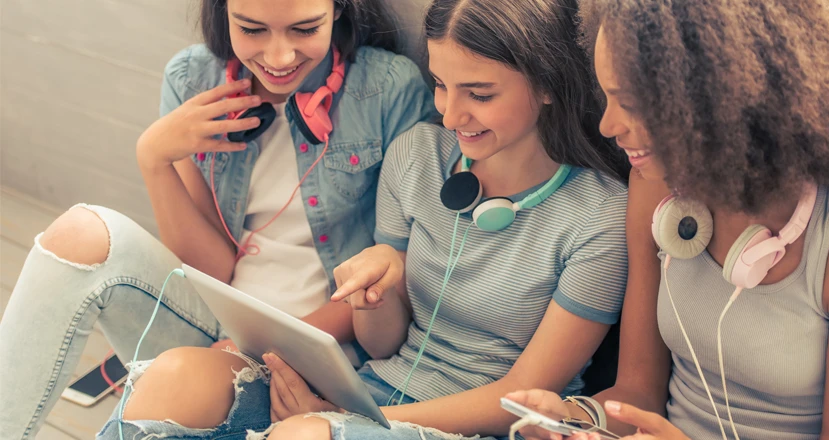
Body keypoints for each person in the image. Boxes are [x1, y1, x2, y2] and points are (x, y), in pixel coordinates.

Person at [96, 0, 632, 439]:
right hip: (367, 388)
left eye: (480, 94)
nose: (449, 114)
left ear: (546, 85)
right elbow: (382, 344)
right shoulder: (418, 154)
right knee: (177, 375)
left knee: (301, 437)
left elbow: (520, 400)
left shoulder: (600, 218)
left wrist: (342, 420)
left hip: (469, 425)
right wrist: (375, 293)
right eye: (442, 85)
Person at [0, 0, 436, 437]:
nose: (279, 57)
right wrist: (155, 158)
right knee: (80, 233)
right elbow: (209, 269)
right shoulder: (192, 78)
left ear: (339, 10)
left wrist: (264, 348)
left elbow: (387, 273)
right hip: (214, 317)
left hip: (312, 352)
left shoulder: (389, 90)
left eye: (304, 30)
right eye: (252, 29)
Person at [508, 0, 829, 439]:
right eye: (607, 97)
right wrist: (576, 419)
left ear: (723, 99)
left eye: (630, 102)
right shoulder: (656, 192)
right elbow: (638, 393)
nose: (607, 125)